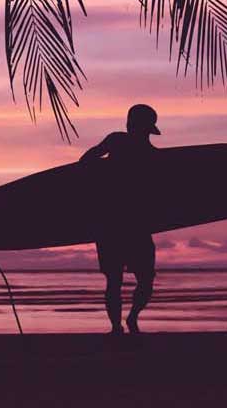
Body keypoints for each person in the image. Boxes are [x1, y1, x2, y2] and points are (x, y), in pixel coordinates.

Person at [80, 104, 161, 334]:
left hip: (133, 226)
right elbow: (86, 161)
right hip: (112, 224)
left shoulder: (154, 157)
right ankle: (117, 326)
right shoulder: (116, 141)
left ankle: (131, 318)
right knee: (115, 280)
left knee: (145, 280)